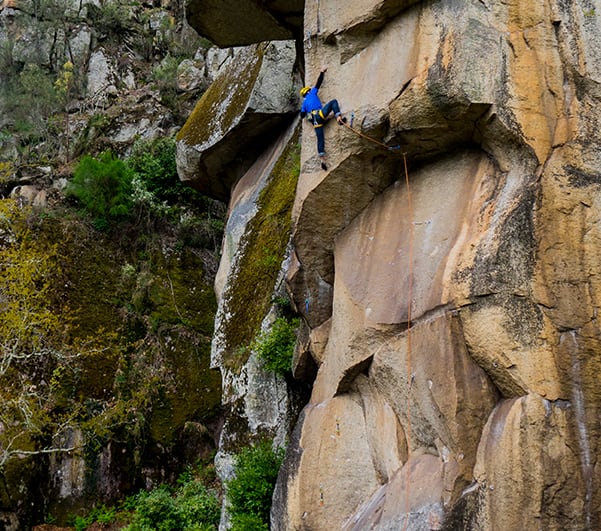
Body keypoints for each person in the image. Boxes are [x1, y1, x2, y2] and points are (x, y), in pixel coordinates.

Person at [300, 66, 346, 170]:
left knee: (320, 139)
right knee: (333, 102)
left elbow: (302, 115)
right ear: (308, 91)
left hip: (315, 121)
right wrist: (321, 72)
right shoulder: (312, 93)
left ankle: (322, 159)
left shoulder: (304, 103)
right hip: (319, 114)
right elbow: (318, 83)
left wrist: (306, 113)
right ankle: (338, 117)